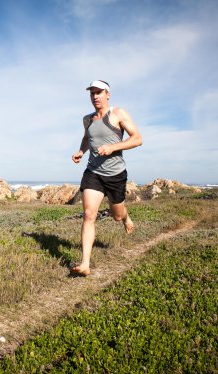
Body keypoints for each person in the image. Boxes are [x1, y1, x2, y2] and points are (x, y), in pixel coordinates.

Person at [71, 80, 142, 276]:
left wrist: (112, 147)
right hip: (93, 172)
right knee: (88, 215)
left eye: (99, 92)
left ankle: (126, 218)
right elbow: (88, 138)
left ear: (107, 94)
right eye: (92, 93)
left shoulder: (118, 114)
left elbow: (137, 138)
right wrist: (81, 151)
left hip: (115, 174)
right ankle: (85, 263)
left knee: (117, 214)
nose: (95, 96)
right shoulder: (87, 119)